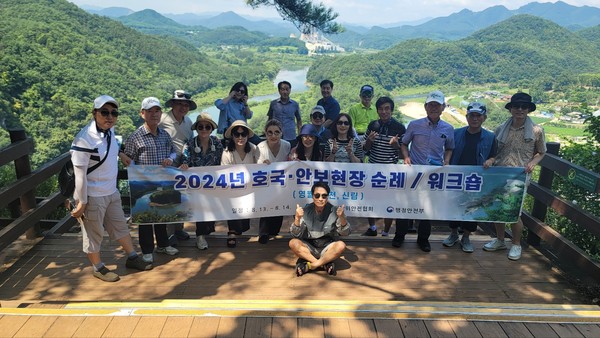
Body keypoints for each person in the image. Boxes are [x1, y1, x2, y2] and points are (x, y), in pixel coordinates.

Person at [70, 95, 151, 282]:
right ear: (95, 113)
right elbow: (80, 173)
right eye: (104, 112)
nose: (110, 117)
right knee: (93, 233)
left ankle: (132, 257)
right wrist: (82, 202)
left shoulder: (109, 132)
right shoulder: (84, 139)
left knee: (120, 226)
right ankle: (97, 267)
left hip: (111, 191)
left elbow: (110, 148)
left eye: (114, 113)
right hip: (92, 195)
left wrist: (121, 154)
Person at [483, 92, 546, 260]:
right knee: (498, 209)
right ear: (510, 109)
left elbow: (541, 152)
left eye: (523, 107)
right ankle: (500, 240)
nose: (519, 109)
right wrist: (490, 160)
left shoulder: (537, 131)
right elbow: (494, 152)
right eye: (516, 106)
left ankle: (516, 244)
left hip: (519, 175)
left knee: (513, 211)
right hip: (499, 173)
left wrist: (533, 163)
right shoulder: (500, 128)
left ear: (528, 110)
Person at [122, 97, 180, 263]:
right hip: (144, 183)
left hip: (163, 182)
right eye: (150, 111)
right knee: (145, 218)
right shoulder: (135, 137)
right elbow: (128, 159)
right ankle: (147, 250)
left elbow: (173, 152)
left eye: (157, 111)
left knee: (162, 212)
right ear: (142, 114)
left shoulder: (165, 135)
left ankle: (162, 244)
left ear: (161, 113)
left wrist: (170, 158)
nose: (154, 114)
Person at [399, 90, 455, 252]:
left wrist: (446, 161)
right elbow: (404, 143)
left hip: (433, 175)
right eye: (431, 105)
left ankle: (423, 239)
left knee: (427, 208)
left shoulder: (448, 128)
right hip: (413, 172)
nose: (434, 108)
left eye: (437, 105)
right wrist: (406, 157)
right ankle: (399, 236)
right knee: (405, 205)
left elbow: (450, 148)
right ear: (425, 107)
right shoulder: (414, 125)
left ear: (443, 107)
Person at [443, 102, 497, 253]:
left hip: (476, 180)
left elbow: (494, 155)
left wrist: (490, 161)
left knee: (473, 208)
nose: (475, 118)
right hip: (456, 177)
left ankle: (466, 237)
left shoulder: (490, 137)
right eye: (471, 115)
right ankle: (453, 234)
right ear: (466, 117)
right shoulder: (456, 133)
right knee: (454, 205)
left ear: (484, 118)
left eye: (478, 116)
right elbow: (447, 151)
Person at [362, 96, 406, 237]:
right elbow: (366, 150)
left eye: (387, 108)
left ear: (392, 110)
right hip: (373, 169)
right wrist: (369, 141)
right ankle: (372, 227)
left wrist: (396, 145)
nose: (384, 111)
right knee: (370, 200)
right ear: (377, 110)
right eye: (381, 109)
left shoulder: (399, 128)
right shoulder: (373, 125)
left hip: (390, 172)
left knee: (389, 203)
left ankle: (386, 231)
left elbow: (402, 154)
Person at [180, 113, 224, 250]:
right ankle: (199, 236)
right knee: (200, 210)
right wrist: (185, 165)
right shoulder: (189, 144)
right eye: (201, 127)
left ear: (211, 129)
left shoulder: (217, 142)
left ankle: (206, 230)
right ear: (197, 129)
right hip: (196, 185)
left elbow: (223, 161)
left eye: (207, 126)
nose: (204, 129)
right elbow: (184, 159)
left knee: (211, 212)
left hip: (213, 184)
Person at [160, 89, 197, 244]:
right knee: (169, 200)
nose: (183, 107)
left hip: (183, 165)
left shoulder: (188, 122)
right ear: (173, 104)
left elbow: (190, 143)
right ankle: (169, 235)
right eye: (180, 104)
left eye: (186, 104)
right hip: (167, 165)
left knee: (181, 198)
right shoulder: (162, 120)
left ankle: (179, 229)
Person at [289, 182, 350, 276]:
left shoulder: (335, 210)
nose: (320, 199)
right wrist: (297, 218)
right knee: (293, 243)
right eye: (317, 195)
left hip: (327, 247)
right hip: (309, 247)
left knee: (341, 245)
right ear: (312, 196)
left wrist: (342, 218)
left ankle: (310, 265)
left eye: (324, 196)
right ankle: (323, 264)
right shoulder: (305, 210)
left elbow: (345, 233)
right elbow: (295, 234)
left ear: (328, 197)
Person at [221, 120, 259, 247]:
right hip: (233, 189)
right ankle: (231, 232)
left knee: (244, 223)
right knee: (232, 208)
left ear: (247, 136)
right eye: (237, 134)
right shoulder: (227, 153)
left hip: (249, 188)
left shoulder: (253, 149)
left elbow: (260, 166)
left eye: (243, 134)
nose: (240, 137)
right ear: (232, 136)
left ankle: (236, 231)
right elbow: (224, 173)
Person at [257, 119, 291, 244]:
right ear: (265, 134)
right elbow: (257, 167)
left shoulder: (286, 145)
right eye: (269, 132)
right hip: (266, 183)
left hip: (281, 184)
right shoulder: (260, 147)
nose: (273, 135)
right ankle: (263, 233)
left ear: (281, 133)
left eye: (277, 132)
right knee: (266, 206)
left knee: (279, 208)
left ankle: (274, 232)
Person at [267, 81, 302, 147]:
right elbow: (269, 120)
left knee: (291, 155)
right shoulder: (273, 104)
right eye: (282, 89)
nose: (285, 92)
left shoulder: (295, 104)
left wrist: (300, 136)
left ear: (290, 90)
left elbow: (299, 121)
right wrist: (267, 133)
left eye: (287, 89)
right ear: (279, 91)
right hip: (276, 136)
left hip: (291, 136)